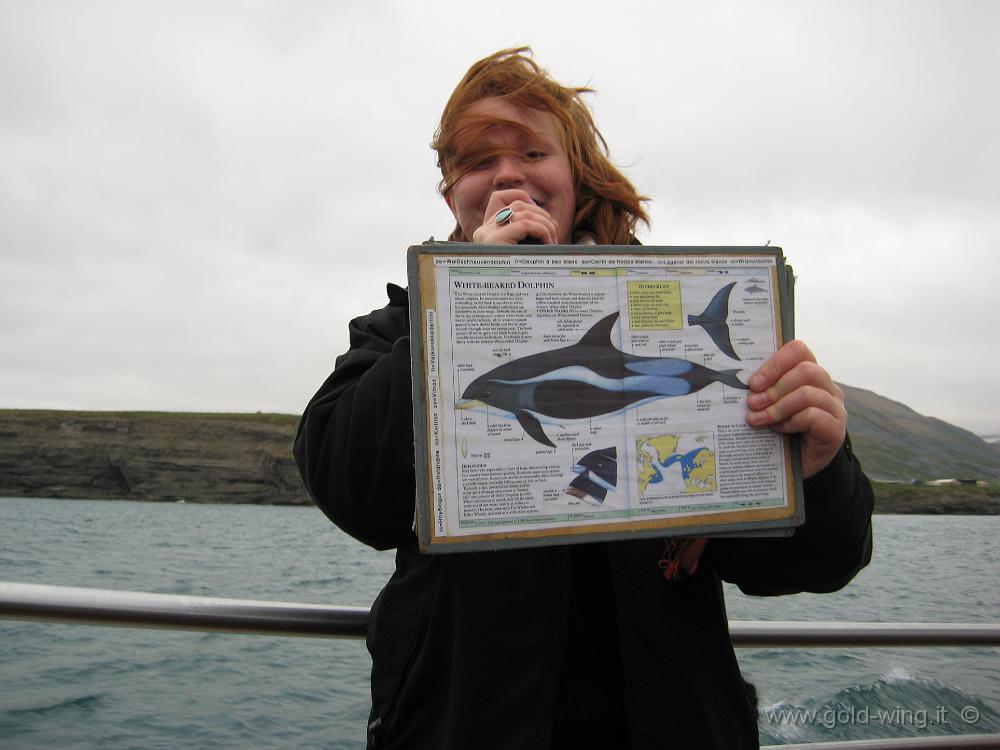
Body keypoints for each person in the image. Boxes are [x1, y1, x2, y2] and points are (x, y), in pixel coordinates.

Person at [294, 47, 873, 750]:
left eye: (533, 151)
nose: (507, 173)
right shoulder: (397, 331)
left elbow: (813, 565)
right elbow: (350, 491)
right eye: (479, 161)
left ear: (573, 180)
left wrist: (817, 467)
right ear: (451, 195)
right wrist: (461, 297)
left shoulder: (672, 318)